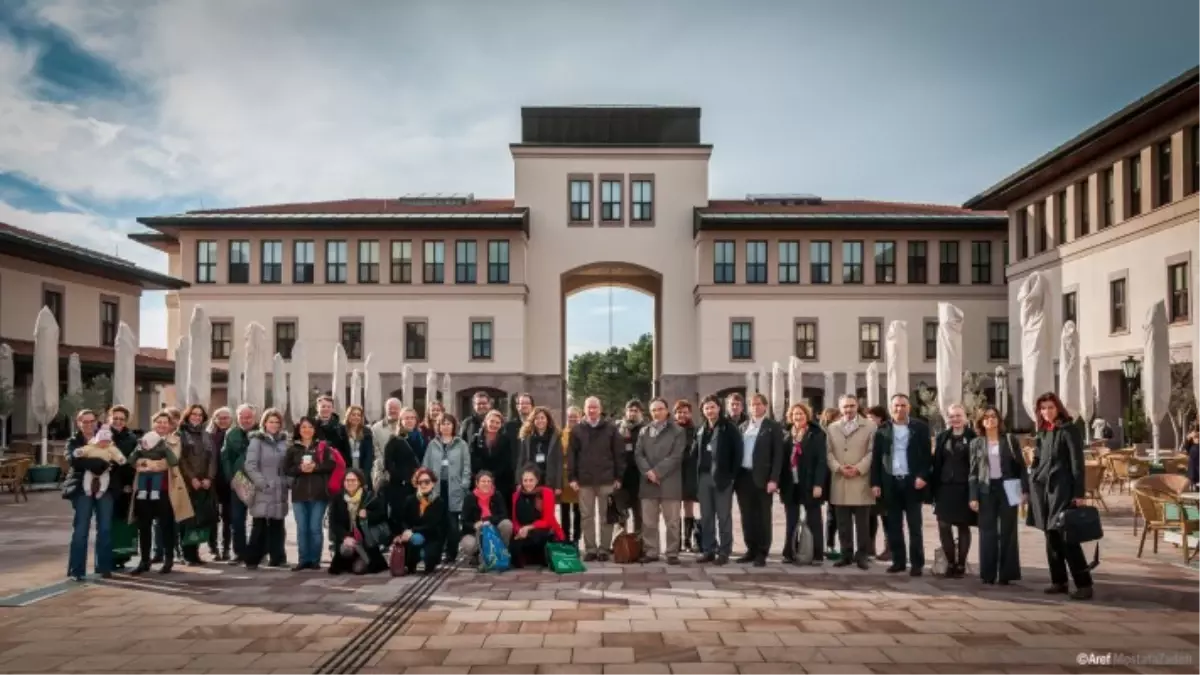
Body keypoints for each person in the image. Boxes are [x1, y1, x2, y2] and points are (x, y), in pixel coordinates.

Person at [1027, 392, 1093, 600]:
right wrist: (1034, 474)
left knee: (1067, 537)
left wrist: (1079, 493)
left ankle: (1084, 584)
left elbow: (1077, 464)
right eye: (1043, 408)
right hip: (1043, 492)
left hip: (1062, 491)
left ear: (1058, 408)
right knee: (1050, 536)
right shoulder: (1043, 432)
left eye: (1050, 407)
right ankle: (1059, 581)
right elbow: (1038, 458)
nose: (1046, 412)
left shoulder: (1069, 430)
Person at [872, 393, 932, 576]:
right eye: (896, 405)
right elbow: (876, 459)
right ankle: (898, 561)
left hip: (912, 482)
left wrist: (923, 476)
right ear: (891, 408)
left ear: (909, 407)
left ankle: (917, 563)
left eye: (903, 405)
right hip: (890, 483)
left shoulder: (920, 428)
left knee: (915, 526)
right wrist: (875, 483)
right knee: (893, 526)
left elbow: (928, 456)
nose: (899, 409)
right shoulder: (882, 430)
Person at [969, 405, 1026, 586]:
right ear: (981, 422)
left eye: (993, 417)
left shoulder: (1009, 440)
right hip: (986, 490)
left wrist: (1024, 491)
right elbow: (973, 472)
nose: (990, 420)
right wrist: (973, 496)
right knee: (987, 532)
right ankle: (988, 573)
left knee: (1008, 531)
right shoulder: (976, 443)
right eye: (986, 417)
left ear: (999, 420)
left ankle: (1006, 573)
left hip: (1008, 488)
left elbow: (1021, 467)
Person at [129, 411, 186, 575]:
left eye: (165, 422)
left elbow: (171, 462)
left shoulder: (175, 441)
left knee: (166, 525)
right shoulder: (144, 440)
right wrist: (145, 463)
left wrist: (147, 464)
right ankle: (144, 560)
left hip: (166, 488)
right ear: (153, 424)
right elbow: (135, 461)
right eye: (158, 422)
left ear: (170, 425)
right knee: (144, 525)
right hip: (143, 490)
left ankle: (168, 559)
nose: (162, 425)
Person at [569, 396, 624, 562]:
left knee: (606, 516)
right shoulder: (577, 430)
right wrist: (572, 477)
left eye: (595, 407)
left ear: (600, 409)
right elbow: (572, 456)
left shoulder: (611, 429)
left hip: (607, 479)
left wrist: (618, 477)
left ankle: (604, 549)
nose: (592, 410)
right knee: (586, 517)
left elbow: (619, 454)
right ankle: (590, 548)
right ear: (584, 409)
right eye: (589, 407)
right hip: (584, 481)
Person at [66, 412, 119, 580]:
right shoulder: (73, 441)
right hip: (82, 489)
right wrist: (98, 463)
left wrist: (97, 463)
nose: (88, 424)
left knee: (104, 528)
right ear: (78, 423)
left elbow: (115, 457)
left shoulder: (106, 438)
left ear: (97, 422)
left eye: (92, 421)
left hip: (104, 488)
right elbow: (72, 460)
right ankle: (77, 570)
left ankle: (104, 567)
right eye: (85, 421)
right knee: (81, 529)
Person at [634, 397, 686, 564]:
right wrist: (649, 472)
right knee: (649, 522)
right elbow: (638, 454)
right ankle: (651, 551)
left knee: (672, 522)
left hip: (670, 483)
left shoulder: (677, 431)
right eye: (654, 410)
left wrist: (657, 472)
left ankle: (671, 553)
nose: (657, 413)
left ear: (667, 410)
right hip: (648, 483)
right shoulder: (644, 431)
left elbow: (676, 456)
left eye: (660, 409)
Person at [826, 395, 875, 570]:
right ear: (840, 408)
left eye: (852, 406)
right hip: (840, 480)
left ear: (857, 406)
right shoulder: (832, 428)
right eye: (845, 407)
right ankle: (845, 554)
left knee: (863, 524)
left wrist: (858, 468)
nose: (848, 410)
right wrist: (839, 468)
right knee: (843, 523)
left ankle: (862, 556)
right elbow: (828, 452)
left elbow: (872, 452)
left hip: (861, 481)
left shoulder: (870, 426)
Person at [735, 393, 783, 567]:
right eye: (752, 405)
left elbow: (778, 455)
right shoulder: (743, 427)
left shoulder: (773, 427)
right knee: (747, 515)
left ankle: (762, 552)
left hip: (763, 478)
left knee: (763, 516)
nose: (755, 407)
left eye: (758, 404)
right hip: (744, 477)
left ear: (765, 406)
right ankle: (751, 549)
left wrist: (774, 479)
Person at [930, 403, 976, 578]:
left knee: (963, 526)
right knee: (943, 525)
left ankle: (961, 564)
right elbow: (936, 462)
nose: (955, 419)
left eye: (958, 415)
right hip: (944, 487)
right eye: (952, 416)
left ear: (965, 417)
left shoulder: (973, 437)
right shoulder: (942, 436)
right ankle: (950, 562)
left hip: (965, 487)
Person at [694, 395, 740, 565]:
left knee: (723, 516)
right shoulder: (701, 429)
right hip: (704, 477)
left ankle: (724, 551)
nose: (709, 411)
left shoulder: (729, 428)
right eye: (706, 408)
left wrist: (732, 476)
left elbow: (738, 454)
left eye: (712, 407)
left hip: (722, 479)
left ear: (719, 408)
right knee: (706, 516)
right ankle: (708, 549)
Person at [285, 416, 335, 571]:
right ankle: (303, 559)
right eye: (303, 427)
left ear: (315, 429)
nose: (307, 430)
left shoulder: (323, 447)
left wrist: (316, 467)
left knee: (315, 527)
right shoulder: (293, 448)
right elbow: (286, 469)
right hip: (299, 494)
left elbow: (331, 465)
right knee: (302, 528)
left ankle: (314, 559)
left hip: (319, 493)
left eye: (310, 427)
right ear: (299, 430)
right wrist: (300, 469)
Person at [781, 402, 828, 565]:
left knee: (814, 519)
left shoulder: (816, 434)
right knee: (791, 520)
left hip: (809, 483)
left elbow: (821, 461)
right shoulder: (787, 434)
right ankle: (789, 552)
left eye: (801, 414)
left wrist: (818, 484)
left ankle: (817, 554)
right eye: (795, 414)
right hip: (791, 484)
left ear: (807, 415)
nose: (798, 417)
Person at [244, 409, 290, 570]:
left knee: (278, 523)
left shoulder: (284, 441)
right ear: (264, 423)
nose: (274, 425)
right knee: (260, 523)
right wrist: (261, 483)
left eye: (277, 422)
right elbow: (250, 465)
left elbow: (288, 465)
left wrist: (286, 481)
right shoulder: (257, 441)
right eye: (271, 422)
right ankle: (252, 559)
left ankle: (278, 557)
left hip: (279, 488)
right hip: (262, 488)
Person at [423, 413, 472, 563]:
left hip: (454, 488)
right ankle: (436, 553)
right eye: (443, 423)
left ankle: (452, 552)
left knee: (452, 523)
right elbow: (426, 465)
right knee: (438, 523)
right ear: (438, 426)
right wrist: (426, 485)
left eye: (449, 423)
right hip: (436, 488)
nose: (446, 426)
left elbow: (466, 467)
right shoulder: (432, 444)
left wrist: (464, 484)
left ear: (454, 426)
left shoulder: (461, 444)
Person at [177, 404, 218, 566]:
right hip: (188, 484)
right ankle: (186, 554)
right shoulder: (180, 434)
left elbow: (213, 458)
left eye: (200, 415)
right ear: (187, 416)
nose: (197, 417)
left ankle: (195, 554)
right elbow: (181, 459)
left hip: (205, 484)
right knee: (187, 520)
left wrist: (209, 477)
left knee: (201, 519)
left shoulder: (206, 435)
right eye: (194, 414)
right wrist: (192, 478)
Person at [327, 468, 389, 575]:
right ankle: (347, 562)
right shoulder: (338, 499)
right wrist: (345, 537)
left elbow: (382, 515)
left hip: (366, 543)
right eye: (347, 480)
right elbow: (333, 522)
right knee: (346, 549)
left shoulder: (369, 497)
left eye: (353, 480)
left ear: (360, 481)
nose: (350, 483)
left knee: (359, 570)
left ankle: (361, 562)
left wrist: (368, 515)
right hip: (348, 540)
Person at [220, 404, 256, 564]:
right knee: (237, 519)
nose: (246, 420)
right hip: (239, 480)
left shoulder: (260, 433)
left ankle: (257, 552)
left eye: (248, 417)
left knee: (259, 520)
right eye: (242, 417)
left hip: (257, 481)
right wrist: (231, 478)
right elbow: (225, 457)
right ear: (237, 417)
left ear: (254, 417)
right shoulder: (231, 433)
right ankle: (239, 552)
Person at [394, 467, 448, 575]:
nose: (423, 485)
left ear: (433, 483)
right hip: (412, 538)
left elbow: (433, 525)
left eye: (427, 482)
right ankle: (411, 562)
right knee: (415, 539)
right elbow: (403, 520)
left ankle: (426, 559)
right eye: (420, 482)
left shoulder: (439, 502)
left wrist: (412, 531)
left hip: (432, 538)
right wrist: (405, 531)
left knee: (421, 545)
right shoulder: (410, 500)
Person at [105, 406, 140, 571]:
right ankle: (108, 556)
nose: (118, 421)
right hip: (105, 485)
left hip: (124, 486)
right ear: (109, 418)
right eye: (115, 418)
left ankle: (122, 556)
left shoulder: (131, 438)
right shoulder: (102, 436)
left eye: (121, 419)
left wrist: (129, 483)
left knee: (123, 519)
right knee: (107, 523)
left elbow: (132, 463)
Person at [509, 466, 565, 568]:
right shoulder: (516, 495)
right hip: (523, 531)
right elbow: (515, 519)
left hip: (542, 530)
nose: (528, 483)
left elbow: (547, 521)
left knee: (538, 537)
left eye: (531, 480)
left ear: (537, 480)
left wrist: (528, 528)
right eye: (525, 480)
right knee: (514, 550)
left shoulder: (546, 493)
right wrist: (519, 531)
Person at [460, 471, 513, 564]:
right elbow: (464, 521)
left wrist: (487, 520)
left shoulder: (497, 495)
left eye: (489, 481)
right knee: (468, 544)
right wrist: (474, 525)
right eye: (483, 481)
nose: (486, 484)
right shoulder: (469, 498)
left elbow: (504, 514)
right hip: (475, 532)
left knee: (507, 524)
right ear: (477, 483)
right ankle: (478, 556)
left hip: (494, 529)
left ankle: (501, 553)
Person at [517, 406, 566, 506]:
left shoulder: (555, 437)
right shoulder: (526, 437)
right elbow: (521, 460)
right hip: (530, 480)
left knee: (547, 510)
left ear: (548, 420)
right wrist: (518, 481)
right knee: (532, 510)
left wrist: (558, 485)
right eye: (537, 418)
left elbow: (559, 462)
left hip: (549, 479)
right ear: (533, 420)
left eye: (542, 418)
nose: (540, 421)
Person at [381, 416, 421, 530]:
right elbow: (388, 463)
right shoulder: (394, 440)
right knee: (399, 515)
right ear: (401, 422)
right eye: (406, 418)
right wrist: (402, 477)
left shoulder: (420, 438)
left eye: (412, 418)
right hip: (400, 485)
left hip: (419, 483)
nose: (409, 421)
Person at [471, 410, 515, 502]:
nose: (494, 425)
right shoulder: (476, 439)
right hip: (481, 480)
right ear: (486, 422)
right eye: (492, 421)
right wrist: (484, 476)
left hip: (501, 481)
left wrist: (493, 476)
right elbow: (473, 458)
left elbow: (506, 461)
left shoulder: (505, 440)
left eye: (497, 423)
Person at [863, 405, 890, 561]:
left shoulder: (885, 432)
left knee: (887, 516)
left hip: (883, 479)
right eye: (868, 417)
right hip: (868, 479)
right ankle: (869, 546)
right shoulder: (867, 433)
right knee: (870, 515)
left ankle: (889, 547)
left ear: (880, 418)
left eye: (872, 417)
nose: (870, 420)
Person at [207, 406, 233, 561]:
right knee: (212, 516)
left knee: (228, 517)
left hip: (229, 482)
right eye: (220, 418)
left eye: (226, 418)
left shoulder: (234, 435)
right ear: (214, 419)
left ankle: (226, 548)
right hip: (212, 480)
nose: (223, 421)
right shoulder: (209, 436)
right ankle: (213, 547)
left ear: (231, 420)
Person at [617, 400, 647, 536]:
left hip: (640, 478)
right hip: (622, 477)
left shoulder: (646, 429)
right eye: (630, 410)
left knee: (639, 514)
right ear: (625, 411)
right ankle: (620, 543)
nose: (632, 413)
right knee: (620, 513)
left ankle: (638, 544)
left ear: (641, 412)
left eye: (636, 410)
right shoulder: (618, 428)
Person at [674, 400, 699, 553]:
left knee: (688, 507)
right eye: (679, 412)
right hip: (674, 473)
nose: (682, 415)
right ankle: (675, 541)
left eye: (685, 412)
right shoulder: (670, 430)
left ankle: (687, 540)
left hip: (690, 472)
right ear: (675, 414)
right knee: (674, 509)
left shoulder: (696, 430)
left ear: (690, 413)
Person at [558, 407, 582, 543]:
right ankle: (565, 537)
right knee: (564, 510)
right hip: (565, 476)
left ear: (580, 417)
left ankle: (577, 538)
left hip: (580, 477)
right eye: (570, 416)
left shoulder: (583, 433)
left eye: (575, 416)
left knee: (579, 511)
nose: (572, 419)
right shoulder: (561, 434)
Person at [370, 398, 403, 489]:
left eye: (395, 408)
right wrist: (386, 465)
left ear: (400, 409)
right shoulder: (376, 428)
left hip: (401, 471)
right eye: (390, 408)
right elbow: (375, 449)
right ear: (385, 409)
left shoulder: (404, 426)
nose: (392, 410)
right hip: (382, 472)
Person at [314, 395, 352, 467]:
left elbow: (347, 451)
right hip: (316, 469)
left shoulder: (341, 428)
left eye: (329, 407)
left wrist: (348, 469)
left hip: (336, 467)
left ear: (332, 409)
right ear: (317, 408)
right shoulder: (311, 427)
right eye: (323, 406)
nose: (326, 409)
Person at [344, 405, 375, 474]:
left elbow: (369, 454)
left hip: (362, 470)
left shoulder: (366, 432)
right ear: (348, 416)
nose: (356, 417)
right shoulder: (342, 431)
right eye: (353, 415)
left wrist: (366, 472)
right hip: (346, 469)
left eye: (359, 415)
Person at [1183, 422, 1200, 489]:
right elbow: (1187, 447)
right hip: (1193, 468)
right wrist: (1189, 437)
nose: (1197, 439)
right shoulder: (1192, 446)